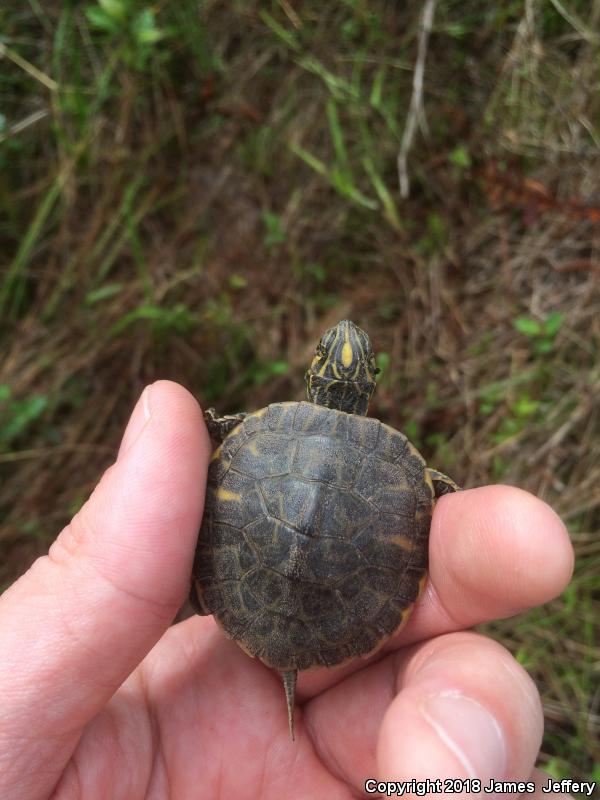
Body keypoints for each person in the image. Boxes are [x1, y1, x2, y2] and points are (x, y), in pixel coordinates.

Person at [0, 382, 575, 799]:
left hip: (235, 616)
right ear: (364, 382)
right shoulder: (393, 463)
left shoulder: (263, 428)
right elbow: (428, 495)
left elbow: (217, 433)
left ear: (317, 374)